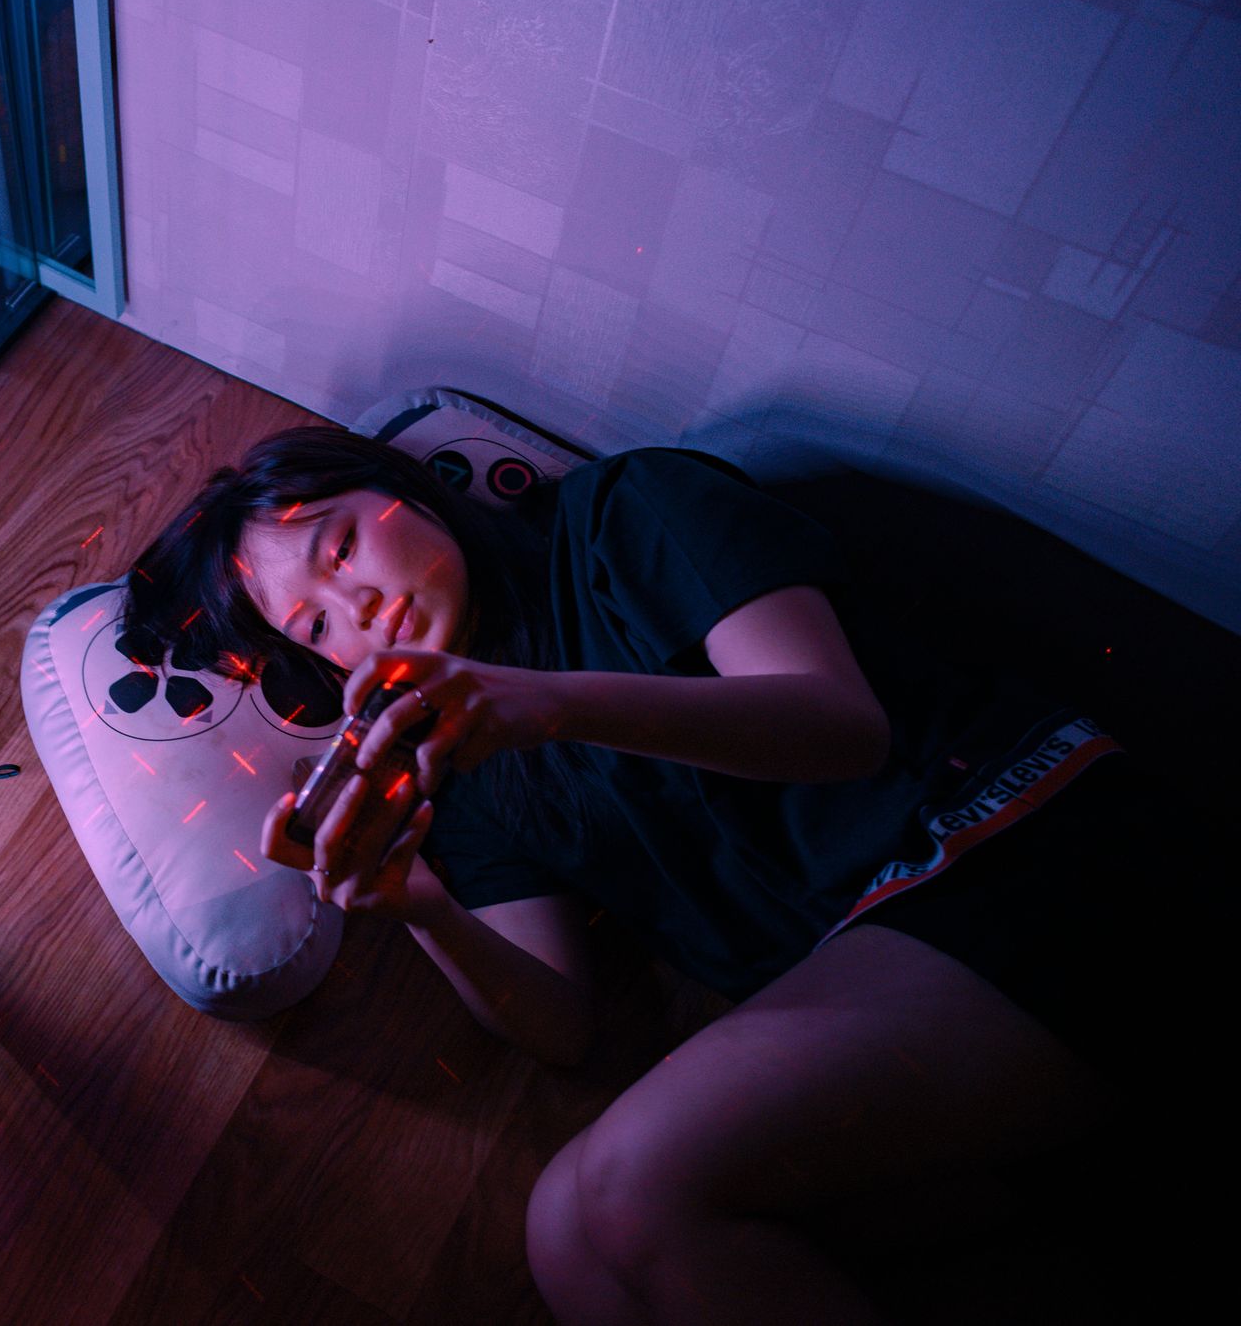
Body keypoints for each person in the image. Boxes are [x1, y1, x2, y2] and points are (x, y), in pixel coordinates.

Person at [122, 425, 1212, 1324]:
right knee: (563, 1232)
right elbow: (558, 1021)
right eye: (315, 623)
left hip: (1020, 841)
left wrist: (550, 704)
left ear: (400, 487)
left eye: (341, 544)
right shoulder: (462, 771)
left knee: (625, 1191)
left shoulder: (628, 511)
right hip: (882, 971)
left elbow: (840, 725)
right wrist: (415, 904)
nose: (357, 605)